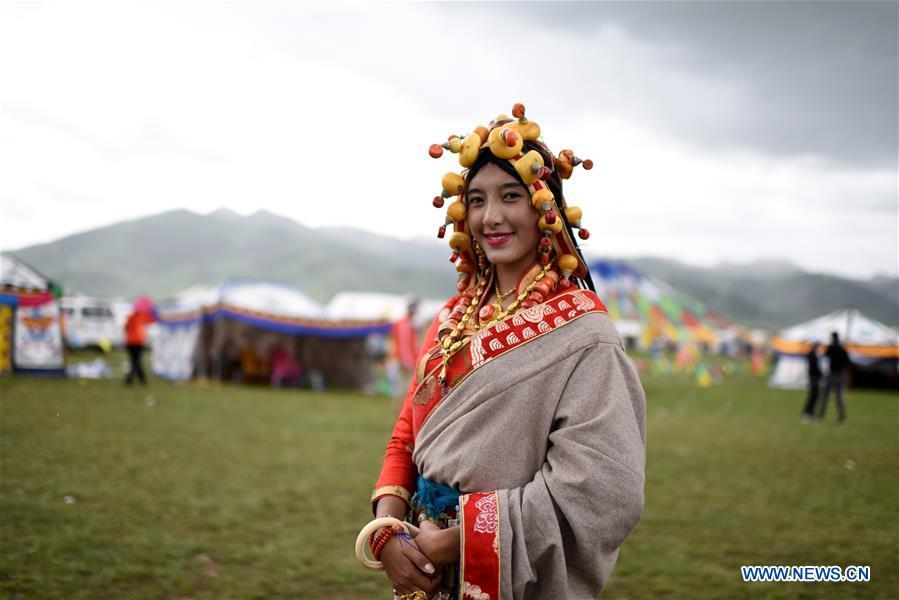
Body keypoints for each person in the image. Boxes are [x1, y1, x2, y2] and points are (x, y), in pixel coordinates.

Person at [359, 104, 646, 599]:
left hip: (508, 574)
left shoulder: (583, 331)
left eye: (510, 196)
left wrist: (458, 541)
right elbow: (408, 431)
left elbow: (601, 489)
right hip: (422, 569)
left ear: (545, 208)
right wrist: (386, 531)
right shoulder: (452, 318)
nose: (491, 217)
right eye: (476, 200)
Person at [816, 331, 850, 422]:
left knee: (825, 396)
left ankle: (820, 415)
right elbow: (847, 363)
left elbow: (825, 358)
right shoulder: (842, 349)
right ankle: (842, 416)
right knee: (839, 397)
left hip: (831, 374)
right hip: (840, 375)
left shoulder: (831, 348)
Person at [123, 306, 155, 385]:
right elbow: (152, 320)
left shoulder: (130, 317)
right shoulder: (142, 317)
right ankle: (130, 379)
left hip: (130, 342)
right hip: (138, 342)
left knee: (135, 360)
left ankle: (142, 379)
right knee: (136, 361)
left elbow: (125, 328)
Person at [801, 342, 821, 422]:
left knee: (814, 396)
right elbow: (813, 367)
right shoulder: (812, 355)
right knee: (813, 396)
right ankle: (808, 413)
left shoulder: (812, 354)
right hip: (813, 378)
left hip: (813, 377)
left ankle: (809, 413)